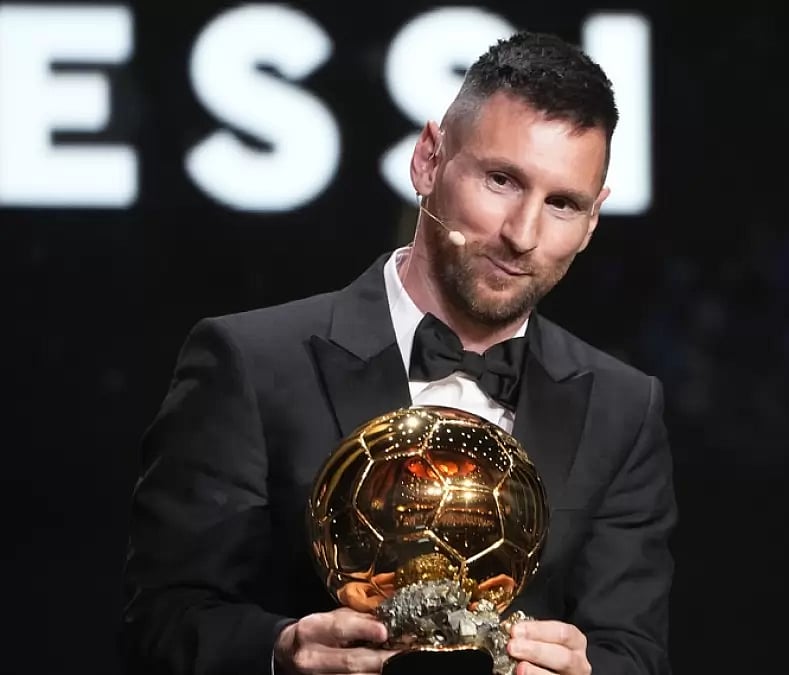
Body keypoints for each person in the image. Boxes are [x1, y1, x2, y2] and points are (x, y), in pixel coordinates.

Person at [120, 30, 676, 675]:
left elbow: (632, 652)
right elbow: (158, 623)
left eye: (562, 204)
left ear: (593, 221)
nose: (523, 234)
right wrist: (278, 653)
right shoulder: (250, 363)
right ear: (428, 161)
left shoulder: (623, 408)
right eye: (501, 180)